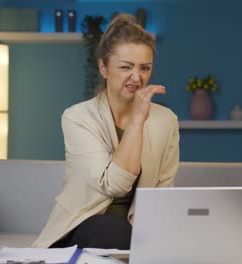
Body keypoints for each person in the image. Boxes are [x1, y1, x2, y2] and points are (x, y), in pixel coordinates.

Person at [32, 13, 179, 250]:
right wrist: (137, 120)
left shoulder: (166, 121)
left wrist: (153, 235)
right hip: (84, 226)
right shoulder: (78, 117)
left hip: (135, 230)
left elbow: (163, 190)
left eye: (145, 68)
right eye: (125, 67)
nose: (136, 77)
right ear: (103, 67)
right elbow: (115, 185)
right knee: (112, 229)